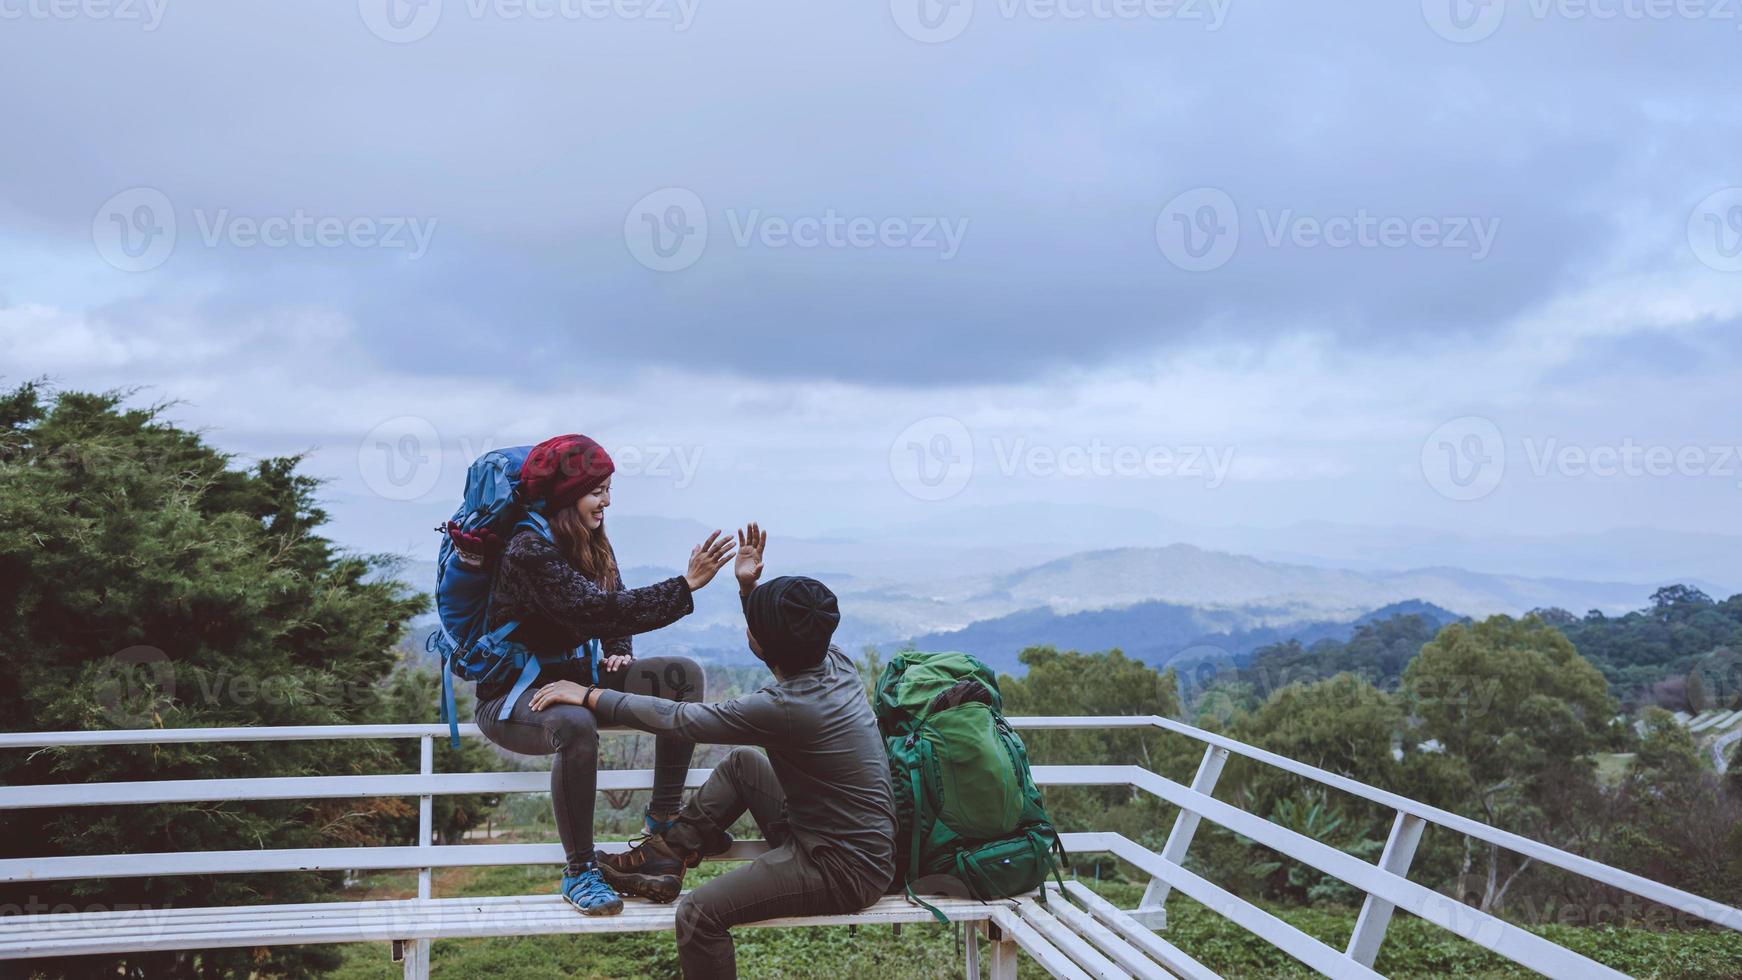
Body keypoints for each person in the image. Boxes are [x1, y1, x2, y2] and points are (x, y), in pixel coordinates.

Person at [528, 524, 897, 979]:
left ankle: (668, 854)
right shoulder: (834, 662)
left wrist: (588, 695)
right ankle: (667, 855)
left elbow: (683, 720)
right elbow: (782, 643)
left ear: (762, 640)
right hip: (840, 839)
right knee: (745, 764)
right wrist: (749, 589)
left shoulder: (785, 708)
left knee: (699, 915)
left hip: (841, 870)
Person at [465, 433, 736, 916]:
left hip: (579, 679)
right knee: (575, 724)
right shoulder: (529, 550)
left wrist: (618, 650)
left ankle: (662, 824)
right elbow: (595, 609)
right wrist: (685, 585)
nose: (607, 501)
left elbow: (612, 600)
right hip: (512, 696)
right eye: (598, 491)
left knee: (682, 677)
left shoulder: (587, 538)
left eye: (609, 489)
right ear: (569, 495)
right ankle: (580, 870)